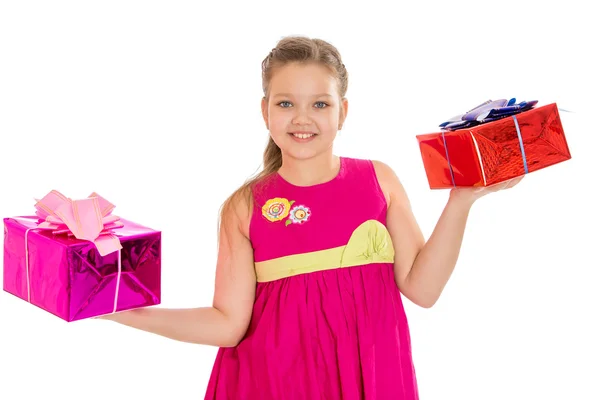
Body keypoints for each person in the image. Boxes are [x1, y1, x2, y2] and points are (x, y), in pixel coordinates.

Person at [99, 36, 522, 399]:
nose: (302, 118)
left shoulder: (379, 180)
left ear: (343, 111)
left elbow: (423, 288)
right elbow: (228, 325)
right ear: (265, 112)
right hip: (272, 383)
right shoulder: (244, 207)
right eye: (286, 103)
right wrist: (125, 312)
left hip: (370, 378)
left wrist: (460, 201)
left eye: (320, 103)